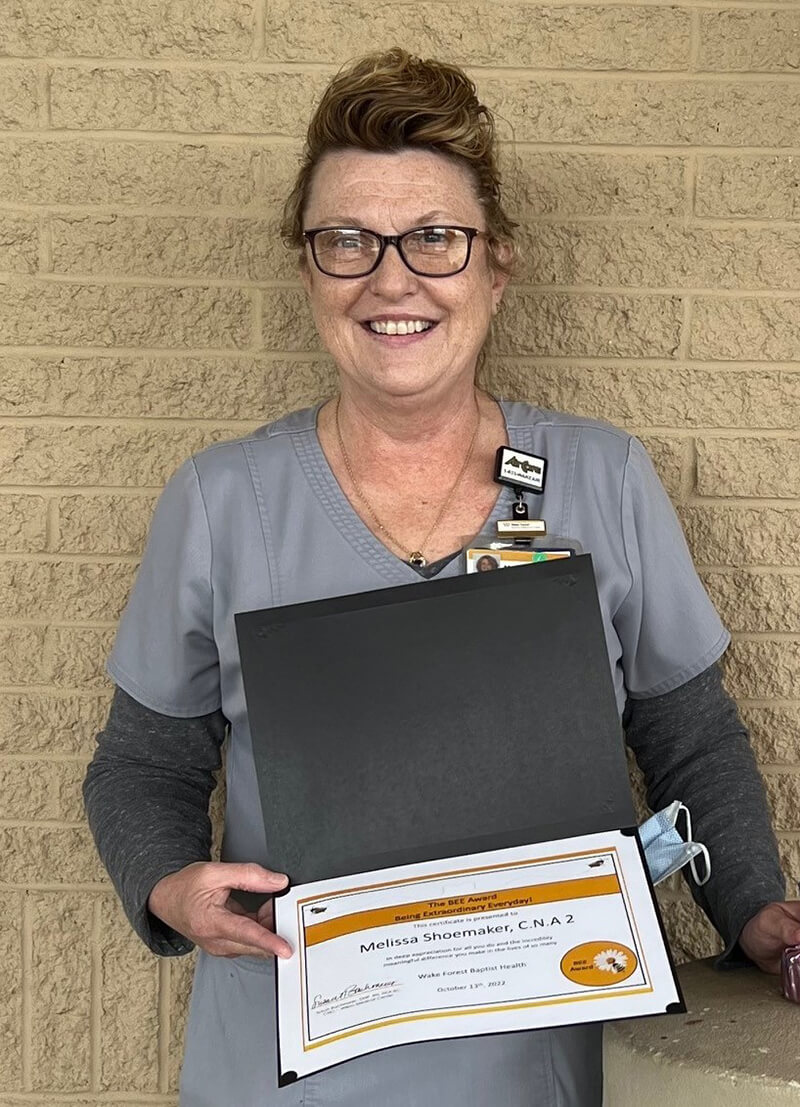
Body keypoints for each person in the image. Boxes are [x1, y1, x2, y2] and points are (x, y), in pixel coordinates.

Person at [84, 49, 800, 1107]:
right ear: (306, 271)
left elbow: (685, 733)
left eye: (433, 237)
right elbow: (140, 763)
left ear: (494, 267)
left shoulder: (600, 479)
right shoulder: (221, 502)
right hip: (282, 1074)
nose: (391, 278)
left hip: (546, 1068)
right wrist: (170, 886)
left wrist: (752, 910)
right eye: (346, 241)